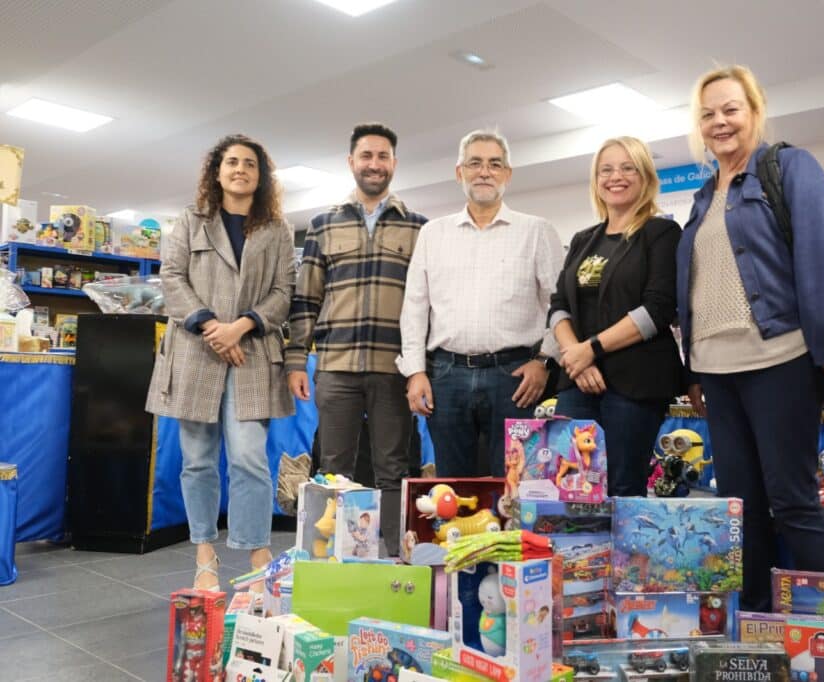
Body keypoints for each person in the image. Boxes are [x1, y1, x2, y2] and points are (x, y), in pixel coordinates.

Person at [677, 65, 824, 611]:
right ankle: (757, 624)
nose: (720, 121)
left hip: (779, 358)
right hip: (716, 368)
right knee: (740, 507)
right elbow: (695, 291)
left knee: (794, 500)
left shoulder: (790, 167)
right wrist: (691, 369)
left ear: (754, 112)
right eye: (708, 113)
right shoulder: (703, 195)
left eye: (731, 108)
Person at [146, 134, 295, 591]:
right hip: (195, 353)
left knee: (250, 458)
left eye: (250, 163)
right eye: (231, 162)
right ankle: (205, 556)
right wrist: (212, 327)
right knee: (197, 460)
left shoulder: (276, 229)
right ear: (217, 171)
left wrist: (242, 326)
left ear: (260, 175)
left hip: (251, 354)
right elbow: (171, 277)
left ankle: (257, 554)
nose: (240, 170)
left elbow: (283, 293)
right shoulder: (191, 222)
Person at [286, 123, 427, 556]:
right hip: (336, 367)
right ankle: (330, 560)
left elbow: (427, 302)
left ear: (394, 164)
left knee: (392, 469)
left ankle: (391, 561)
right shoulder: (323, 225)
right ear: (351, 162)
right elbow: (306, 297)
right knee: (334, 470)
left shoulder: (419, 228)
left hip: (393, 368)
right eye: (366, 156)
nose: (374, 164)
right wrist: (295, 360)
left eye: (383, 156)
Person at [398, 129, 563, 477]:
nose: (484, 171)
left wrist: (544, 361)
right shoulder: (433, 234)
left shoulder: (536, 230)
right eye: (475, 163)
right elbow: (414, 307)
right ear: (460, 173)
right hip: (446, 375)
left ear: (508, 174)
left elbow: (560, 305)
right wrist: (415, 371)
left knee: (515, 484)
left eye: (494, 164)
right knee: (452, 485)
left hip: (515, 376)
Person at [548, 136, 686, 496]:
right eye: (606, 169)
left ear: (645, 176)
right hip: (577, 380)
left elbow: (657, 308)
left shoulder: (661, 233)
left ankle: (626, 557)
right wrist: (576, 355)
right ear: (596, 180)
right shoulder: (582, 239)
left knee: (623, 488)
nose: (616, 176)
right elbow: (558, 305)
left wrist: (589, 349)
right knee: (572, 489)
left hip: (635, 382)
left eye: (628, 168)